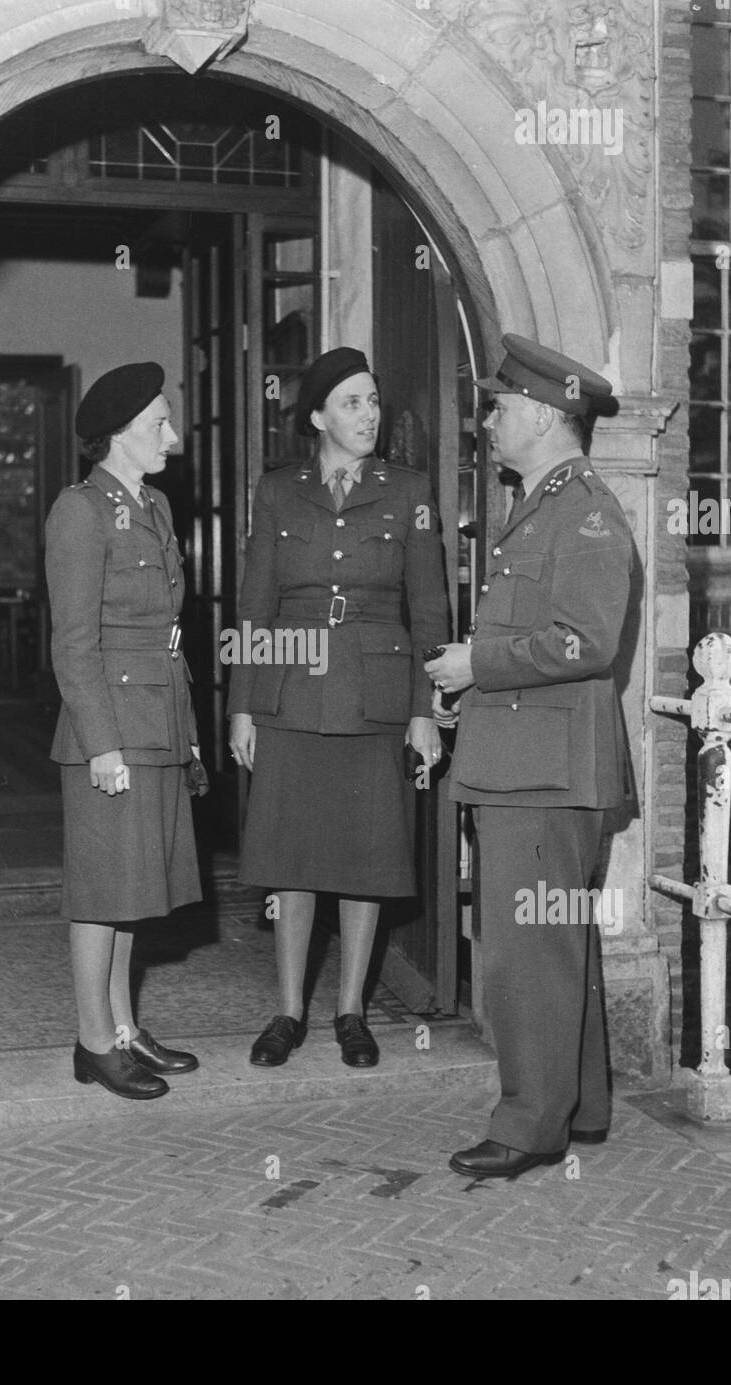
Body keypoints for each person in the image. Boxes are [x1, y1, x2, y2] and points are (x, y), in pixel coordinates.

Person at [425, 333, 635, 1178]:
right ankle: (577, 1107)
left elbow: (586, 639)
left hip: (543, 773)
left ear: (546, 416)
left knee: (525, 949)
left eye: (501, 408)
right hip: (531, 760)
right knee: (559, 943)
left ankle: (527, 1128)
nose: (489, 421)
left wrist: (480, 663)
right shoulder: (546, 504)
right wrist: (471, 677)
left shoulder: (584, 510)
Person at [228, 347, 448, 1069]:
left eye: (374, 402)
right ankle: (288, 1011)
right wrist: (244, 707)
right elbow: (255, 603)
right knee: (290, 856)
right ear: (317, 417)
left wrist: (423, 706)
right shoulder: (277, 491)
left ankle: (351, 1011)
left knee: (366, 855)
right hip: (290, 691)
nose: (368, 416)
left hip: (375, 694)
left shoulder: (409, 489)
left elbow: (430, 609)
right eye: (351, 403)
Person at [45, 361, 203, 1101]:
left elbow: (171, 631)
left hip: (159, 713)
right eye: (157, 426)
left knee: (136, 886)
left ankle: (124, 1026)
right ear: (117, 437)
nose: (171, 434)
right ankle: (91, 1041)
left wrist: (189, 728)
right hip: (108, 726)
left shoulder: (157, 506)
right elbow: (73, 642)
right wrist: (102, 744)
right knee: (102, 892)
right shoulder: (78, 512)